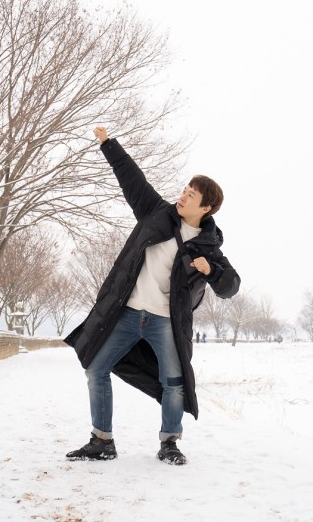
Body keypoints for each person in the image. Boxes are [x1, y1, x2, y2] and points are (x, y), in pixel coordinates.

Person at [64, 126, 240, 465]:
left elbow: (231, 286)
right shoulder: (155, 211)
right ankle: (102, 440)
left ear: (207, 207)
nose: (184, 195)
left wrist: (211, 270)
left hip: (164, 322)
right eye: (185, 189)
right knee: (95, 368)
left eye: (192, 195)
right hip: (127, 312)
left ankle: (169, 443)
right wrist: (108, 144)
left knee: (174, 382)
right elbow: (131, 177)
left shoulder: (208, 246)